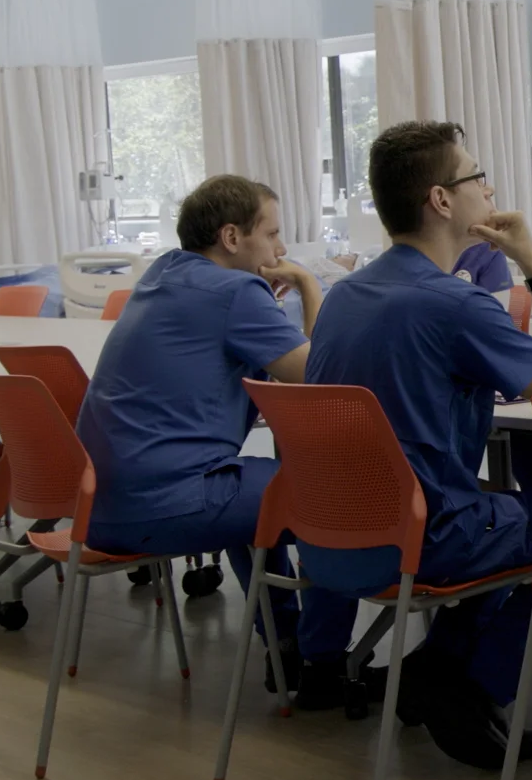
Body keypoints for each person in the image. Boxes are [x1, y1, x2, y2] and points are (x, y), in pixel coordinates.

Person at [301, 121, 532, 771]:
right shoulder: (454, 304)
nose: (491, 188)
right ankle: (463, 680)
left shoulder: (344, 297)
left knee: (508, 508)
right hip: (423, 538)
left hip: (333, 536)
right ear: (442, 200)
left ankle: (437, 667)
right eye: (477, 176)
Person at [78, 174, 347, 703]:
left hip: (99, 505)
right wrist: (313, 287)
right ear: (230, 237)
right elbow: (321, 380)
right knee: (337, 497)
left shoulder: (164, 275)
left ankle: (284, 640)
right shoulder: (235, 291)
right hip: (164, 506)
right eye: (271, 234)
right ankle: (322, 663)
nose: (282, 248)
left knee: (252, 486)